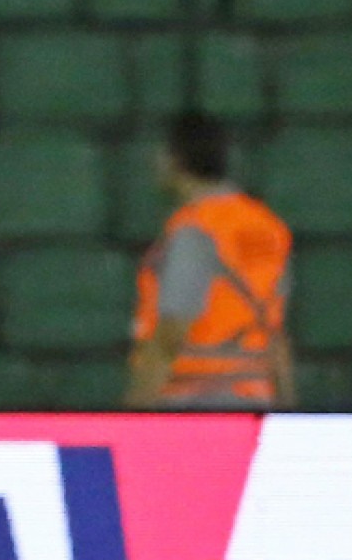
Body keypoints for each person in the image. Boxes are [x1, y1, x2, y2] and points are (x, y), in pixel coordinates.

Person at [126, 112, 294, 409]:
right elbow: (275, 332)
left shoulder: (195, 230)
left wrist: (132, 414)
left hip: (193, 403)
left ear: (176, 160)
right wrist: (288, 409)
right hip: (256, 397)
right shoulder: (268, 227)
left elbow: (171, 336)